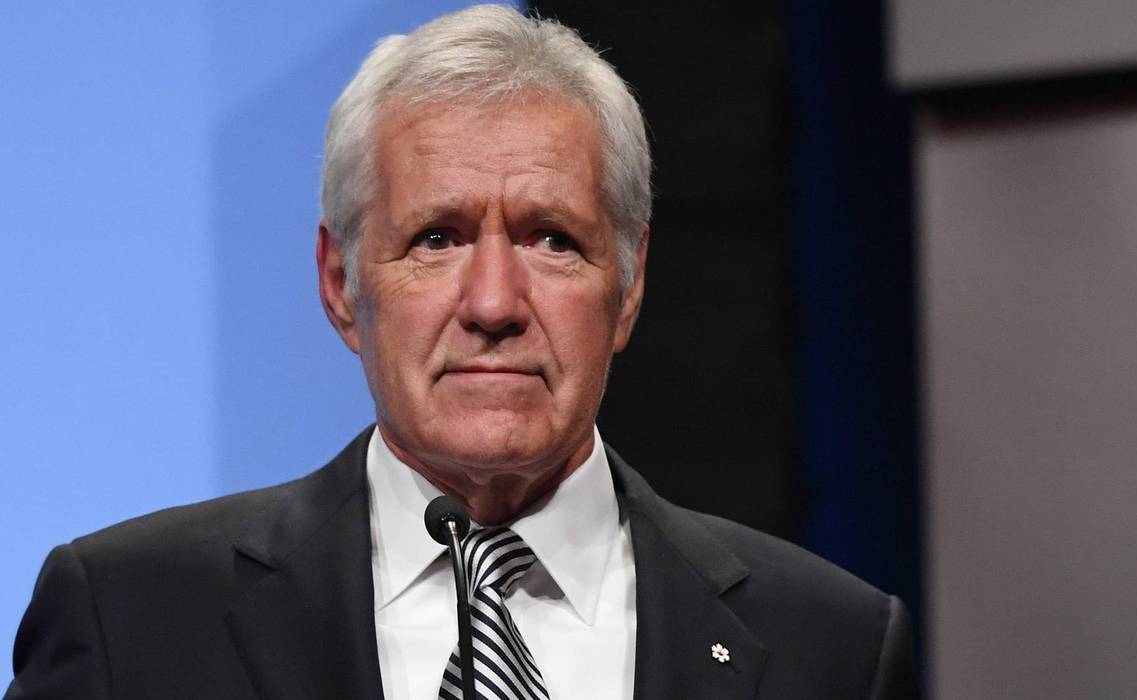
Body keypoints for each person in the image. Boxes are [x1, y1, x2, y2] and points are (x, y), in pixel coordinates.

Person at [5, 5, 917, 699]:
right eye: (436, 238)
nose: (492, 304)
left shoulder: (828, 646)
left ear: (629, 282)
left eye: (551, 239)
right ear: (339, 282)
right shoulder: (130, 623)